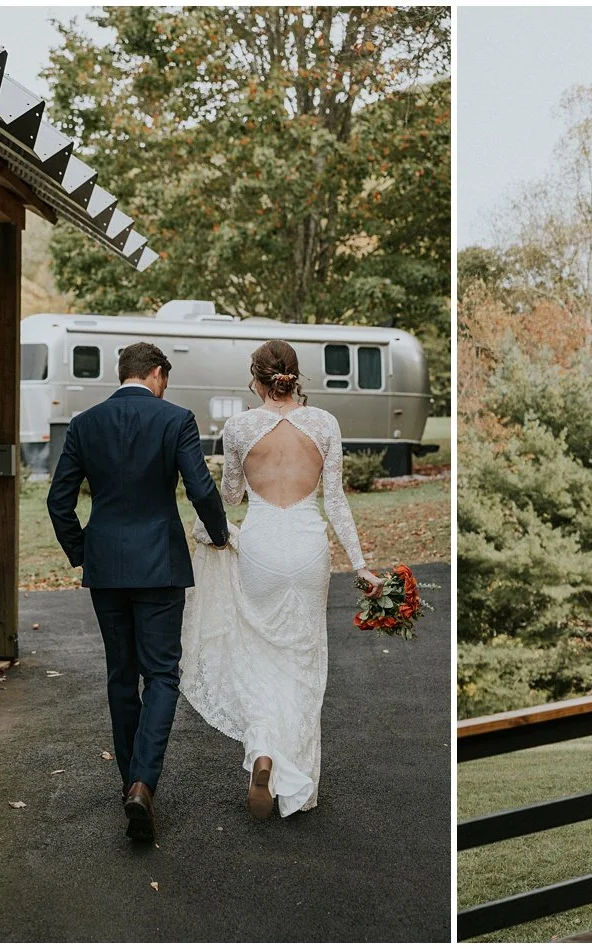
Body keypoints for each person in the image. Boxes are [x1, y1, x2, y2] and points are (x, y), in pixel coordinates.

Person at [181, 340, 381, 820]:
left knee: (260, 655)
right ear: (295, 377)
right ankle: (294, 780)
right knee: (303, 660)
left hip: (262, 547)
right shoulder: (325, 424)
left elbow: (231, 496)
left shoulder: (240, 427)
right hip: (309, 548)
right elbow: (336, 501)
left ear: (256, 379)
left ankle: (263, 751)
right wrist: (360, 564)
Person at [45, 342, 230, 841]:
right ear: (156, 373)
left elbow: (59, 501)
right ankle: (143, 784)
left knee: (121, 676)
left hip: (106, 567)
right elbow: (200, 488)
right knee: (163, 675)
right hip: (160, 565)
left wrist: (83, 552)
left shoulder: (85, 424)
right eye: (166, 378)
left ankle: (131, 783)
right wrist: (219, 535)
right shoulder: (176, 419)